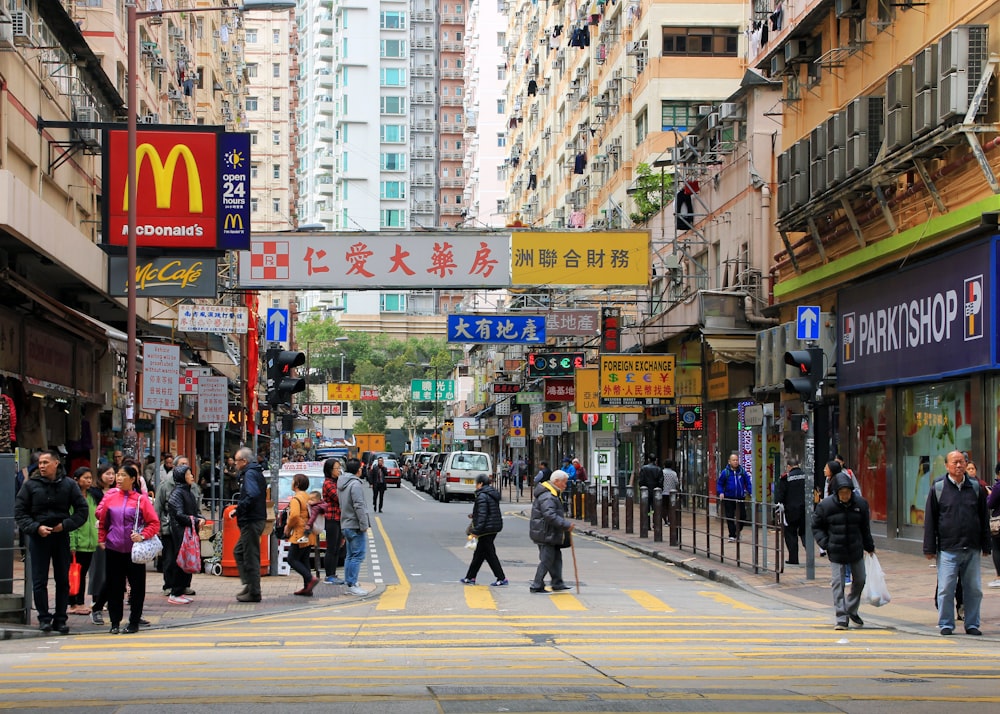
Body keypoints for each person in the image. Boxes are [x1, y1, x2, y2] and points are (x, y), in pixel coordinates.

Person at [14, 450, 89, 634]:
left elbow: (82, 510)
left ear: (56, 463)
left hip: (61, 535)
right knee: (39, 580)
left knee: (62, 579)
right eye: (40, 463)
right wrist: (35, 527)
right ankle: (44, 618)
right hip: (38, 537)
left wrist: (65, 525)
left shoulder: (69, 484)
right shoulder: (30, 485)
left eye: (46, 462)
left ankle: (61, 619)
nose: (42, 466)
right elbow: (20, 512)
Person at [923, 450, 991, 636]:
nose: (959, 466)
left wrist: (986, 545)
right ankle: (946, 623)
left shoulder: (976, 487)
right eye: (955, 462)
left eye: (961, 462)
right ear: (947, 466)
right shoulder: (938, 488)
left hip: (971, 547)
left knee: (974, 589)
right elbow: (930, 519)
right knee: (946, 588)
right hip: (948, 548)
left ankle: (972, 624)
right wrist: (929, 547)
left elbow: (983, 518)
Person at [95, 464, 160, 634]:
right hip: (113, 548)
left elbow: (154, 523)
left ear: (132, 479)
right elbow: (103, 521)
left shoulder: (141, 499)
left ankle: (133, 622)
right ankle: (114, 622)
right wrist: (102, 539)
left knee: (137, 587)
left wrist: (143, 535)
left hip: (135, 551)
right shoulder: (110, 497)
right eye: (118, 475)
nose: (119, 478)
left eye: (123, 475)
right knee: (114, 586)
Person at [812, 470, 875, 630]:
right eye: (842, 493)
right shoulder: (826, 506)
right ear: (836, 493)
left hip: (855, 548)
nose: (845, 496)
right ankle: (841, 617)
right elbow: (817, 526)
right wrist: (826, 544)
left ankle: (851, 609)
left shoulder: (860, 504)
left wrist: (869, 546)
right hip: (836, 549)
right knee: (837, 583)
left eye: (847, 493)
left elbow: (865, 528)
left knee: (860, 579)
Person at [528, 470, 575, 593]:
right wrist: (565, 524)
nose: (565, 485)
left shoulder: (552, 494)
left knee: (556, 558)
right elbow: (549, 515)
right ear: (556, 482)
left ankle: (557, 583)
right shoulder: (548, 496)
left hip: (548, 532)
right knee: (547, 559)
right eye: (564, 483)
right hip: (545, 533)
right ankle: (537, 584)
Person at [231, 447, 267, 603]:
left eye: (236, 461)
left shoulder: (250, 474)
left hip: (252, 520)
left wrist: (239, 509)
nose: (235, 464)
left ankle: (254, 592)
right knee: (239, 551)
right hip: (254, 518)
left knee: (250, 556)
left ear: (243, 461)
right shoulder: (255, 472)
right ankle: (250, 584)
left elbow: (252, 494)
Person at [155, 454, 193, 597]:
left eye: (187, 465)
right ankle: (169, 585)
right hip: (168, 527)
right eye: (182, 464)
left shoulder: (192, 486)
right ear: (175, 467)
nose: (185, 468)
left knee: (186, 557)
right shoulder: (165, 485)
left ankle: (184, 585)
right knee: (170, 559)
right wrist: (156, 526)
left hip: (186, 528)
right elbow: (157, 507)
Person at [165, 464, 204, 605]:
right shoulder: (177, 493)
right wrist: (195, 520)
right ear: (182, 476)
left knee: (185, 559)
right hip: (180, 532)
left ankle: (180, 591)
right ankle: (175, 592)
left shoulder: (188, 492)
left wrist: (199, 518)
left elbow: (193, 511)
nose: (192, 476)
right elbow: (179, 514)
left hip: (187, 531)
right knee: (179, 560)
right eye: (189, 474)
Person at [460, 474, 508, 586]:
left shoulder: (482, 496)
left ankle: (501, 578)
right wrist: (474, 515)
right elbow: (488, 510)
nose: (475, 486)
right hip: (492, 527)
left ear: (480, 484)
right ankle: (470, 577)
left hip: (486, 529)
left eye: (476, 483)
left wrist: (475, 531)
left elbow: (483, 515)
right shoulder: (491, 494)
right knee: (479, 554)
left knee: (490, 554)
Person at [68, 467, 99, 615]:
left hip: (90, 542)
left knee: (82, 573)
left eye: (90, 478)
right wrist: (72, 543)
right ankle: (73, 603)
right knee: (74, 574)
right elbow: (71, 522)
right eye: (85, 478)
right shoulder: (72, 497)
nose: (88, 481)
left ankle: (80, 602)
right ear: (76, 479)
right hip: (77, 543)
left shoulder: (93, 496)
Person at [338, 457, 370, 596]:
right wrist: (364, 525)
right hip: (355, 525)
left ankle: (350, 582)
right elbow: (359, 506)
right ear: (357, 470)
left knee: (350, 556)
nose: (362, 470)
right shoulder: (355, 485)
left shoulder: (342, 483)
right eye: (361, 468)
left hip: (345, 523)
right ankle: (352, 584)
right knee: (357, 555)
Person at [284, 474, 321, 596]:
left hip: (300, 533)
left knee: (292, 559)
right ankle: (307, 588)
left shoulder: (296, 499)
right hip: (309, 533)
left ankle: (309, 579)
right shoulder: (307, 496)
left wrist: (288, 528)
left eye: (293, 481)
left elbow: (294, 515)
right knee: (304, 559)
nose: (291, 483)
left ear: (297, 484)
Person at [89, 462, 116, 625]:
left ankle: (107, 601)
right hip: (100, 537)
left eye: (113, 474)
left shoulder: (117, 493)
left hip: (116, 538)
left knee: (113, 573)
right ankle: (96, 602)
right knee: (98, 570)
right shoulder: (93, 493)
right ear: (100, 476)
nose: (111, 477)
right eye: (108, 474)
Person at [775, 456, 808, 565]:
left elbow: (781, 495)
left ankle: (794, 559)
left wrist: (777, 506)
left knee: (790, 534)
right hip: (805, 509)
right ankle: (810, 555)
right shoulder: (806, 476)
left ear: (789, 466)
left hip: (791, 511)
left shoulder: (786, 478)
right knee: (805, 533)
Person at [717, 453, 752, 542]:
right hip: (729, 497)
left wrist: (750, 492)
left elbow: (748, 483)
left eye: (737, 460)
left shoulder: (742, 471)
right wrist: (721, 492)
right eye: (734, 460)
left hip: (740, 497)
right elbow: (720, 484)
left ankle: (737, 531)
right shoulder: (725, 472)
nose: (736, 462)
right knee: (730, 516)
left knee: (743, 516)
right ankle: (732, 535)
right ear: (729, 461)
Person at [322, 458, 345, 585]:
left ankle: (333, 573)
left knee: (337, 547)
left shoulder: (337, 482)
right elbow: (338, 497)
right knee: (331, 548)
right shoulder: (328, 483)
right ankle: (329, 575)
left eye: (339, 468)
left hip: (338, 518)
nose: (339, 470)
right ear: (330, 470)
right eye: (337, 468)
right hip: (331, 518)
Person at [987, 463, 1000, 589]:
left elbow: (990, 504)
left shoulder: (998, 487)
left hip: (998, 523)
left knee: (997, 548)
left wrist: (989, 495)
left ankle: (999, 577)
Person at [661, 459, 680, 524]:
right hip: (672, 493)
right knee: (671, 507)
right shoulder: (674, 473)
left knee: (664, 506)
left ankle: (665, 520)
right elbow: (677, 482)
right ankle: (670, 520)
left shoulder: (662, 472)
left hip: (663, 492)